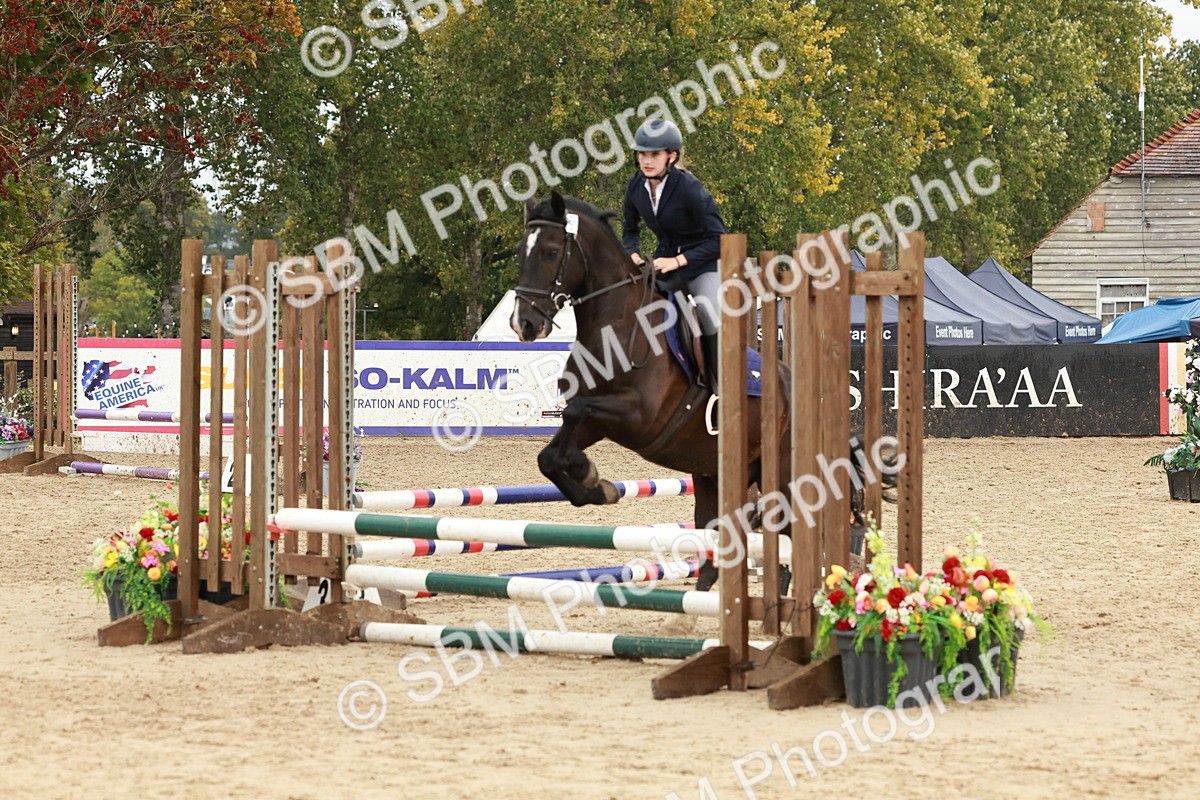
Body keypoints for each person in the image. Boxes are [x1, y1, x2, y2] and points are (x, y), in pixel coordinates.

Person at [622, 118, 726, 432]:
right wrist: (632, 251)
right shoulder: (636, 186)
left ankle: (720, 393)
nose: (646, 160)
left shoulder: (690, 189)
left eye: (653, 155)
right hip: (664, 262)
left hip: (700, 264)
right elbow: (630, 228)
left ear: (672, 156)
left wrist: (679, 261)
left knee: (708, 312)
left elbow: (718, 239)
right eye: (642, 154)